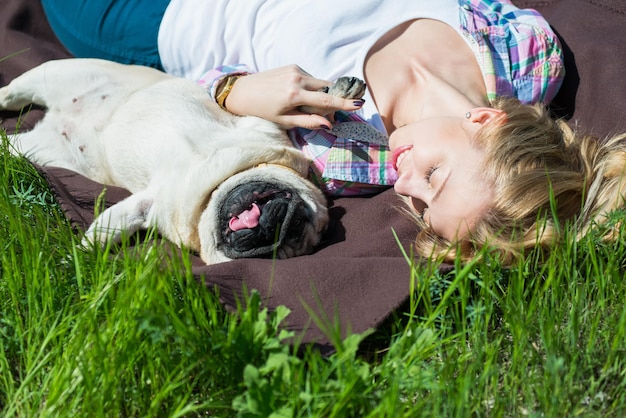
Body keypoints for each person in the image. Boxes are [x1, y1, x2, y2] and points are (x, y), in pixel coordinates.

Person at [39, 0, 624, 265]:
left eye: (419, 206)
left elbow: (198, 100)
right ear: (487, 121)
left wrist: (238, 91)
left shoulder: (345, 157)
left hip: (178, 15)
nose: (406, 185)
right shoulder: (528, 56)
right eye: (435, 178)